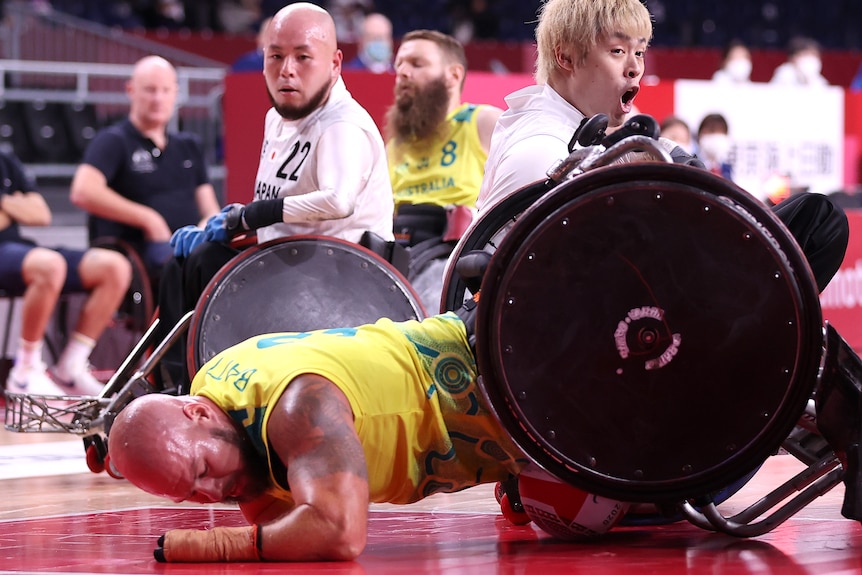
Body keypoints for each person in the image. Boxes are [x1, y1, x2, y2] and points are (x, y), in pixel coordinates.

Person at [108, 311, 528, 562]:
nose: (214, 491)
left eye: (203, 469)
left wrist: (215, 546)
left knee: (575, 514)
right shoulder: (218, 398)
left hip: (511, 374)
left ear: (197, 412)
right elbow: (278, 523)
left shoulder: (295, 407)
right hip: (506, 409)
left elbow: (339, 533)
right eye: (192, 495)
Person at [153, 2, 395, 390]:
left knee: (203, 263)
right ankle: (168, 383)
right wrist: (232, 221)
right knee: (179, 264)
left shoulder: (342, 124)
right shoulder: (278, 118)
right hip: (289, 260)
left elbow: (338, 202)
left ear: (334, 63)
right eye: (276, 56)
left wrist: (250, 215)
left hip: (342, 276)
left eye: (303, 57)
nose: (287, 70)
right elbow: (281, 206)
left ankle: (197, 389)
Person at [475, 0, 653, 211]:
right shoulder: (544, 149)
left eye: (639, 53)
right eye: (618, 51)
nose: (635, 68)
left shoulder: (565, 132)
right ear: (566, 57)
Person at [69, 55, 221, 286]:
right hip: (142, 250)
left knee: (230, 262)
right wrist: (148, 219)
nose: (158, 98)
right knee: (191, 268)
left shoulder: (189, 145)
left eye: (165, 90)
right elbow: (83, 191)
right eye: (150, 90)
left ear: (175, 93)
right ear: (131, 90)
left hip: (189, 246)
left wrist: (201, 233)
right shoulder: (113, 141)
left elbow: (210, 209)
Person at [384, 29, 502, 313]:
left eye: (417, 64)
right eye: (399, 64)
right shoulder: (397, 143)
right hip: (395, 249)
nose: (402, 72)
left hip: (452, 253)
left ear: (453, 75)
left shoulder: (482, 121)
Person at [1, 149, 132, 395]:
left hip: (19, 249)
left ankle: (71, 368)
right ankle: (24, 372)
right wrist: (17, 203)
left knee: (114, 266)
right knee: (49, 265)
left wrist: (3, 202)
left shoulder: (5, 158)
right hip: (12, 254)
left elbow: (40, 214)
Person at [696, 112, 733, 180]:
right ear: (700, 135)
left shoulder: (728, 169)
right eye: (711, 131)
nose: (716, 138)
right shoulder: (691, 163)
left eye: (720, 132)